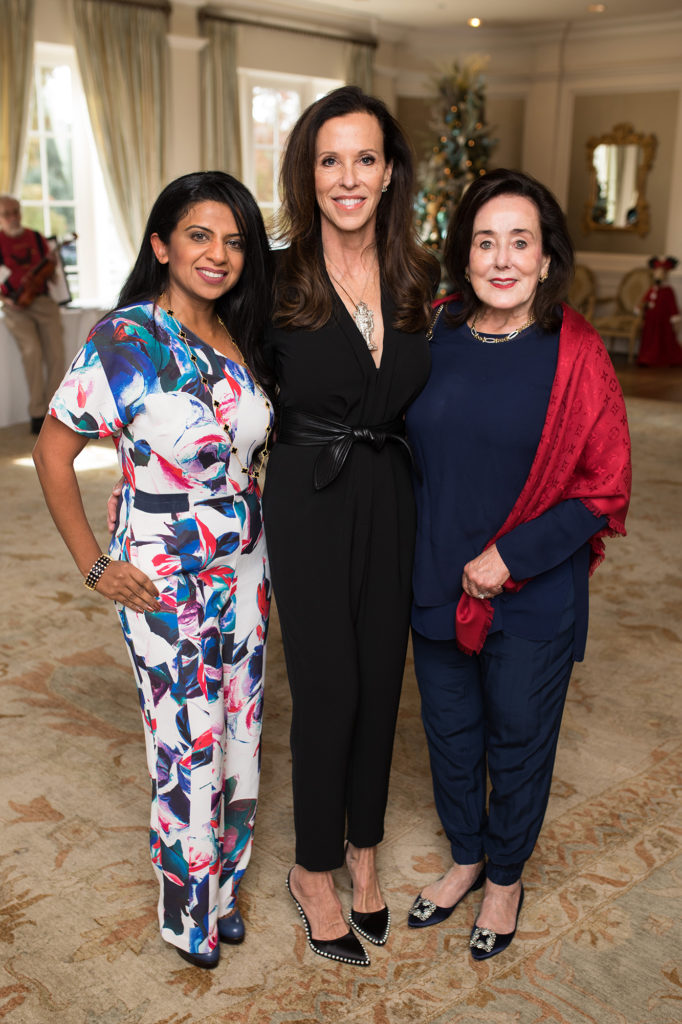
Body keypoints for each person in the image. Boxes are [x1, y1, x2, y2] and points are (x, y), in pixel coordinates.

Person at [33, 171, 274, 970]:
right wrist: (93, 565)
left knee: (241, 727)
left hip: (245, 564)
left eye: (235, 240)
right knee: (184, 740)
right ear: (162, 244)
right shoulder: (125, 339)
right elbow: (53, 451)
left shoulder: (243, 333)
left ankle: (226, 887)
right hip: (161, 572)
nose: (218, 254)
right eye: (200, 236)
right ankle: (186, 913)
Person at [404, 168, 631, 960]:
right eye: (485, 242)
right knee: (451, 733)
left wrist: (511, 556)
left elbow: (604, 488)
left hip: (532, 592)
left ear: (544, 258)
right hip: (433, 579)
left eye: (520, 242)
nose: (502, 259)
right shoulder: (430, 334)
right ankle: (467, 857)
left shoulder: (576, 355)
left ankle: (505, 878)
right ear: (465, 257)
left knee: (520, 737)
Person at [262, 86, 438, 966]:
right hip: (309, 493)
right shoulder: (276, 276)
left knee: (380, 681)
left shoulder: (420, 276)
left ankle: (365, 851)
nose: (347, 176)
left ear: (390, 170)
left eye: (365, 158)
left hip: (391, 491)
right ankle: (314, 868)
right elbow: (212, 386)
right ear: (308, 170)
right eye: (330, 159)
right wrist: (143, 475)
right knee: (328, 686)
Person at [0, 194, 65, 433]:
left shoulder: (36, 238)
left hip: (42, 301)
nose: (13, 217)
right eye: (7, 214)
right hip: (15, 306)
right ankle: (37, 413)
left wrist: (52, 264)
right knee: (32, 352)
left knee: (56, 353)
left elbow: (53, 276)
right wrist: (7, 298)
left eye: (16, 211)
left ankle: (55, 411)